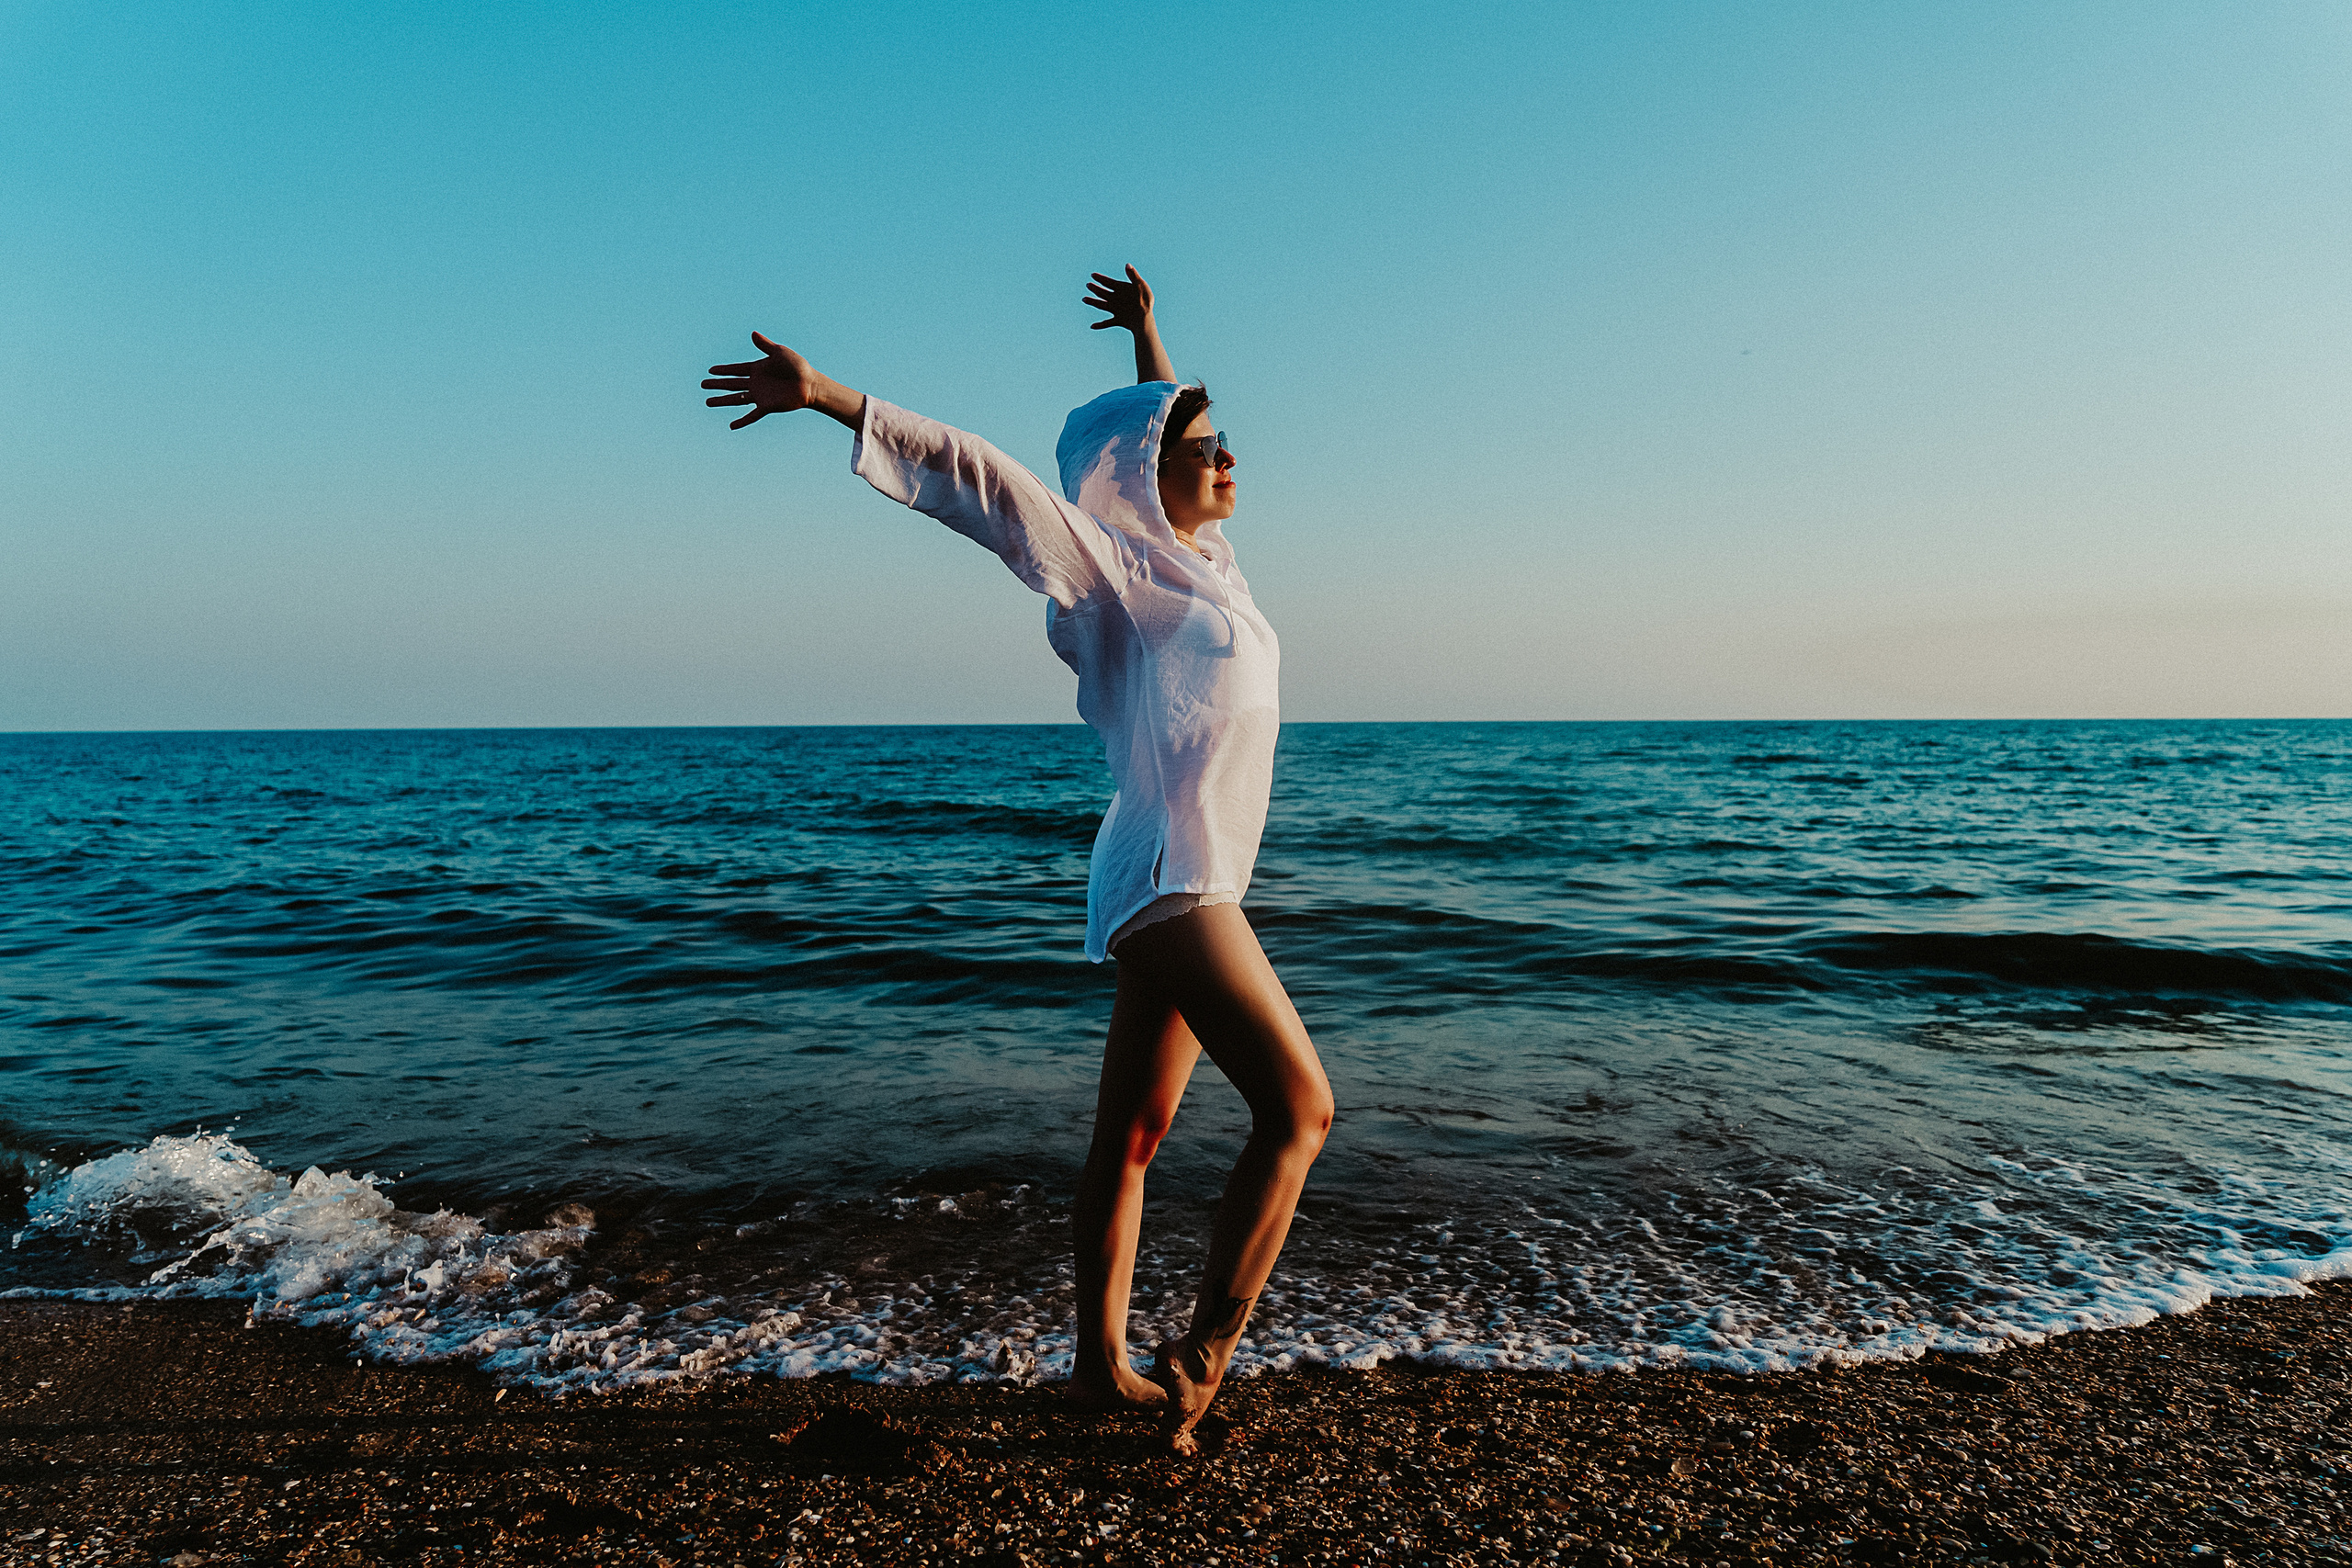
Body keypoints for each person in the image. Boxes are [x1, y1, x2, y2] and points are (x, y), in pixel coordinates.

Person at [699, 268, 1332, 1451]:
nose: (1230, 458)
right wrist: (831, 397)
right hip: (1171, 880)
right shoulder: (1123, 576)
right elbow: (989, 479)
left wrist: (1152, 338)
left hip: (1174, 872)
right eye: (1209, 447)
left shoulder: (1206, 575)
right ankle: (1200, 1359)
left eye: (1228, 440)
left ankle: (1096, 1367)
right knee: (1300, 1110)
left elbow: (1158, 425)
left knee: (1131, 1140)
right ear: (1152, 474)